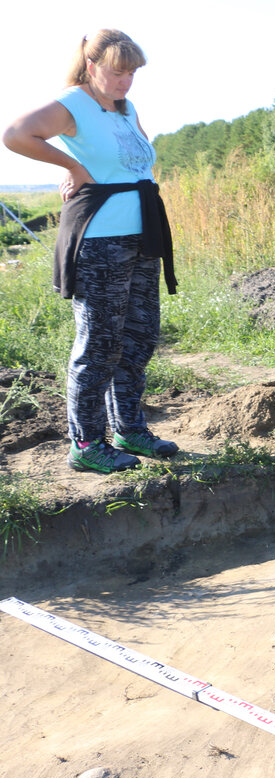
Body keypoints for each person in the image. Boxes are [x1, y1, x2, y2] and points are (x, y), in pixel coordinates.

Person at [2, 29, 179, 475]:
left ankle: (129, 429)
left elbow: (134, 162)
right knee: (99, 343)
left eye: (132, 73)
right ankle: (85, 442)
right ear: (91, 63)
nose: (126, 81)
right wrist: (72, 166)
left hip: (142, 234)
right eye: (118, 71)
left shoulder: (125, 107)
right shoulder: (73, 104)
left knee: (140, 336)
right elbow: (15, 134)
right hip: (99, 239)